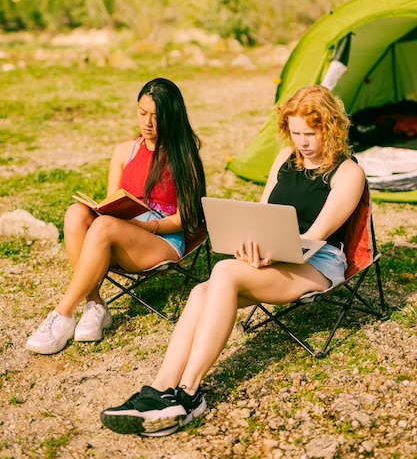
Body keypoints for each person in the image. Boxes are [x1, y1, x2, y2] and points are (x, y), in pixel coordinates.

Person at [99, 84, 366, 438]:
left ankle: (190, 394)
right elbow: (263, 212)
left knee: (223, 271)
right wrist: (249, 243)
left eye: (310, 134)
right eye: (296, 132)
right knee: (201, 293)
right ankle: (160, 389)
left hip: (316, 263)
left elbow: (316, 235)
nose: (302, 142)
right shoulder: (285, 160)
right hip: (274, 256)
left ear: (330, 128)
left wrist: (269, 255)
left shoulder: (348, 172)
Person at [26, 77, 206, 355]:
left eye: (156, 117)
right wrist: (104, 210)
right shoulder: (124, 151)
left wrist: (149, 227)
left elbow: (185, 218)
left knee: (105, 227)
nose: (147, 123)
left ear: (171, 117)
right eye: (141, 112)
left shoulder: (184, 156)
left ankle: (62, 315)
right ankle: (95, 304)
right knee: (76, 214)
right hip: (121, 231)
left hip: (162, 238)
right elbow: (112, 200)